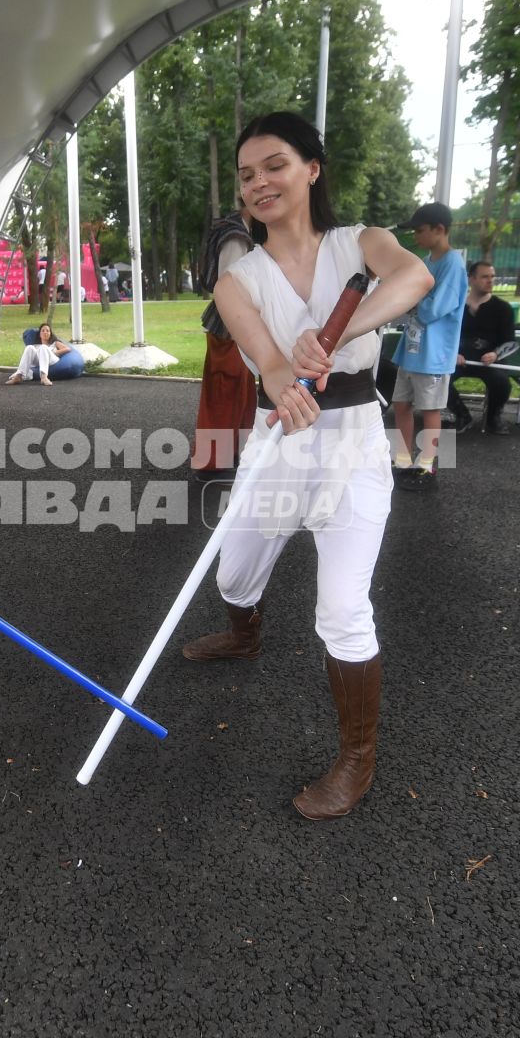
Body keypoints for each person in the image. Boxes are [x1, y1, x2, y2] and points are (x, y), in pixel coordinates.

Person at [179, 112, 432, 820]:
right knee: (231, 574)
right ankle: (244, 632)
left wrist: (340, 329)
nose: (259, 182)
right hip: (279, 442)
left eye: (275, 165)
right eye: (246, 173)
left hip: (354, 445)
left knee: (345, 611)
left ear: (312, 169)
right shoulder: (239, 279)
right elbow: (267, 363)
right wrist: (287, 374)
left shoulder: (364, 242)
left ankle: (358, 756)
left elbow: (414, 277)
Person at [387, 202, 468, 490]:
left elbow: (435, 309)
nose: (417, 237)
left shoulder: (453, 264)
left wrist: (407, 301)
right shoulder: (428, 262)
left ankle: (426, 465)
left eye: (420, 231)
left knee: (431, 409)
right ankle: (403, 459)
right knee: (400, 403)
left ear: (440, 230)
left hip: (434, 353)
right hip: (412, 349)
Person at [190, 213, 260, 478]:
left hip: (232, 325)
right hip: (230, 326)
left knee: (238, 392)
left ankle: (229, 455)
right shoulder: (236, 237)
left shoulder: (231, 230)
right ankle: (212, 462)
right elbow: (228, 286)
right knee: (225, 392)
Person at [447, 260, 517, 434]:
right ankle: (462, 415)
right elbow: (444, 335)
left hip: (489, 363)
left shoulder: (503, 309)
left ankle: (493, 417)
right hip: (458, 360)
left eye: (492, 277)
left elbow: (509, 341)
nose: (490, 280)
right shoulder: (455, 307)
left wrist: (495, 354)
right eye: (485, 276)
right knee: (438, 379)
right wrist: (453, 354)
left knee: (501, 383)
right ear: (471, 279)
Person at [6, 321, 69, 385]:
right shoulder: (36, 345)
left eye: (47, 331)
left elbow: (67, 349)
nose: (45, 332)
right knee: (29, 347)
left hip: (52, 359)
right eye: (43, 331)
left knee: (43, 347)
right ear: (39, 334)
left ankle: (44, 377)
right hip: (40, 360)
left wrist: (54, 352)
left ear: (50, 334)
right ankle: (18, 376)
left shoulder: (54, 343)